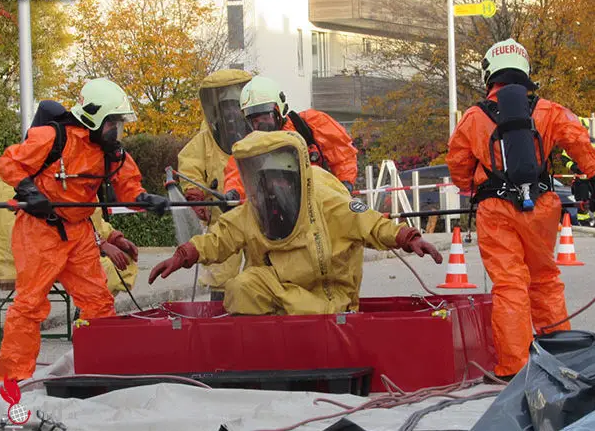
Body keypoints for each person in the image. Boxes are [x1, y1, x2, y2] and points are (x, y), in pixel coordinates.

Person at [446, 38, 595, 382]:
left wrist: (469, 186)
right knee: (545, 280)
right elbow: (580, 141)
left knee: (510, 285)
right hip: (540, 206)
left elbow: (458, 163)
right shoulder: (548, 110)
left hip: (494, 208)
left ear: (490, 73)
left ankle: (515, 369)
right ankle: (559, 360)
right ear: (525, 71)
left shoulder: (474, 117)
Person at [149, 130, 443, 315]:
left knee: (308, 309)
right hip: (280, 292)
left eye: (279, 182)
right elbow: (221, 237)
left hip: (327, 300)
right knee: (240, 288)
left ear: (293, 179)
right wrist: (184, 255)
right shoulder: (256, 210)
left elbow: (372, 223)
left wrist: (408, 237)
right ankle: (260, 352)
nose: (272, 191)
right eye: (265, 183)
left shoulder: (330, 203)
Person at [0, 78, 168, 381]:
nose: (117, 131)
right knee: (29, 306)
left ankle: (101, 370)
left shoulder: (110, 152)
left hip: (79, 234)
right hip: (39, 231)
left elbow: (128, 186)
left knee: (98, 304)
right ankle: (13, 381)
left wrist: (146, 200)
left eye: (119, 123)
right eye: (112, 123)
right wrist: (28, 190)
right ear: (93, 117)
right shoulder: (52, 137)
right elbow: (9, 162)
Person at [0, 172, 139, 299]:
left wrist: (113, 237)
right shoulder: (52, 174)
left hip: (15, 262)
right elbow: (57, 227)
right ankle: (90, 318)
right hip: (38, 260)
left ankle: (89, 316)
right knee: (102, 270)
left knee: (120, 261)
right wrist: (100, 244)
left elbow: (89, 218)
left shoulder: (10, 172)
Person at [220, 75, 358, 204]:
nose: (261, 124)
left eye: (266, 117)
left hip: (320, 203)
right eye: (255, 120)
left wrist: (345, 184)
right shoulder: (251, 146)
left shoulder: (310, 124)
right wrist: (233, 193)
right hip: (281, 211)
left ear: (279, 110)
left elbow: (343, 155)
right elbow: (237, 173)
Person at [177, 69, 253, 301]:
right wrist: (194, 195)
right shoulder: (205, 139)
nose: (230, 113)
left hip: (258, 218)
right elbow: (190, 166)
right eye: (225, 107)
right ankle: (220, 319)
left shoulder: (258, 132)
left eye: (234, 106)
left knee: (259, 273)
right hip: (223, 219)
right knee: (220, 274)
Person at [561, 117, 595, 227]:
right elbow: (564, 158)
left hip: (594, 177)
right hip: (581, 179)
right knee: (582, 202)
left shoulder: (594, 142)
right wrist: (574, 167)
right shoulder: (571, 142)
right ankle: (585, 224)